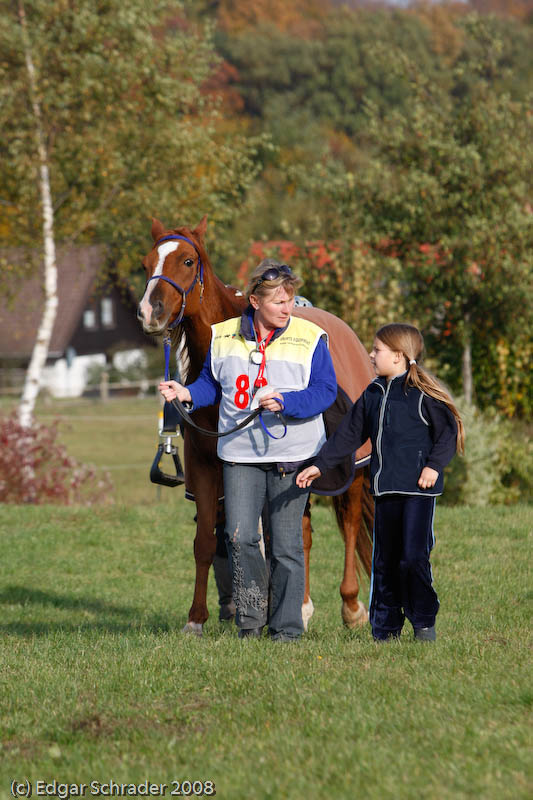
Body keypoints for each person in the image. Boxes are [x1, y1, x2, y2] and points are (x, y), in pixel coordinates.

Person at [159, 259, 337, 642]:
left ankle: (287, 629)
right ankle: (250, 623)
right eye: (278, 302)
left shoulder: (311, 336)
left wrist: (286, 403)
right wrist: (186, 393)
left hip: (294, 455)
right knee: (240, 537)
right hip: (240, 454)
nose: (287, 309)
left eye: (289, 301)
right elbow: (211, 383)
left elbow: (325, 391)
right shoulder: (223, 336)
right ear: (255, 301)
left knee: (285, 544)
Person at [297, 323, 464, 643]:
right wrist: (319, 465)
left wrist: (433, 466)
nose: (371, 355)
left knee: (413, 558)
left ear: (399, 356)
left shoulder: (424, 395)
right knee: (384, 563)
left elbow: (447, 433)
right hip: (384, 491)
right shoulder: (373, 393)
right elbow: (348, 434)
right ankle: (385, 629)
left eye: (377, 350)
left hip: (418, 492)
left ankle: (423, 621)